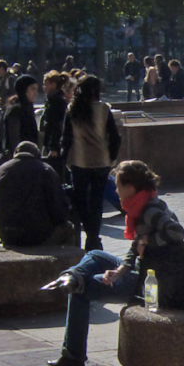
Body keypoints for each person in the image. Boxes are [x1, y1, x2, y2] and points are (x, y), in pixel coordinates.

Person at [43, 160, 184, 366]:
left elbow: (177, 233)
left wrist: (150, 240)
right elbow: (134, 248)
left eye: (118, 186)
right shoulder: (143, 203)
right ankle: (73, 275)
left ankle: (73, 355)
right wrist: (120, 270)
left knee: (81, 289)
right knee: (95, 254)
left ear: (130, 187)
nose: (116, 191)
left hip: (149, 282)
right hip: (140, 269)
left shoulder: (151, 210)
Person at [62, 75, 120, 250]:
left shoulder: (73, 108)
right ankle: (93, 238)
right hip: (101, 161)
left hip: (79, 161)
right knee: (96, 202)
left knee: (80, 201)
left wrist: (66, 159)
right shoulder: (103, 109)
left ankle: (91, 236)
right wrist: (112, 158)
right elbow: (115, 136)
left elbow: (66, 138)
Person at [0, 141, 69, 247]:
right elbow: (57, 207)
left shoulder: (1, 170)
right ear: (37, 154)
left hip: (7, 233)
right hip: (38, 234)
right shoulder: (46, 170)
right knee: (69, 229)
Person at [38, 71, 70, 180]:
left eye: (46, 84)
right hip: (50, 141)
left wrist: (54, 146)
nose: (44, 87)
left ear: (53, 84)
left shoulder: (56, 101)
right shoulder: (53, 100)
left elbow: (57, 125)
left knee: (52, 172)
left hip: (53, 143)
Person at [0, 75, 39, 152]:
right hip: (20, 157)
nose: (36, 93)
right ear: (24, 90)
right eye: (33, 89)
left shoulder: (28, 108)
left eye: (37, 89)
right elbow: (13, 138)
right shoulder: (15, 110)